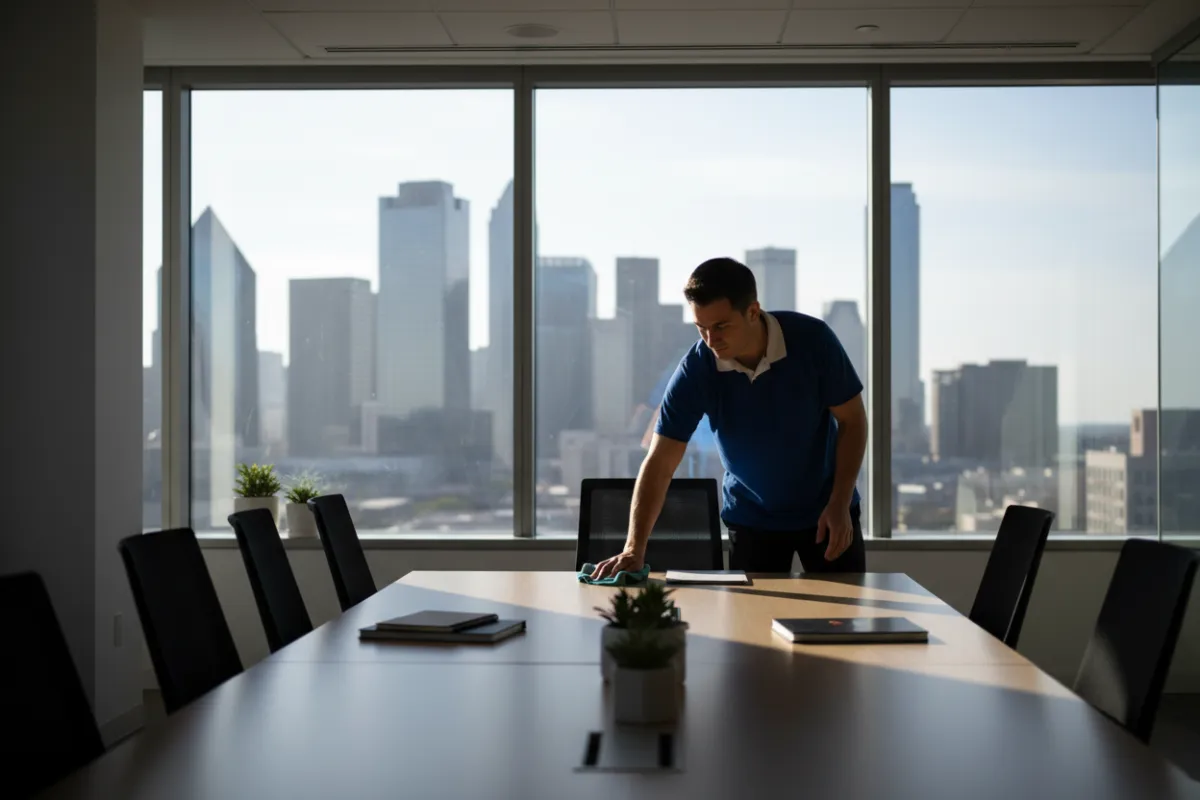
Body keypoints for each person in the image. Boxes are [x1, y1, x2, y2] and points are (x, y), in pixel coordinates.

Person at [590, 257, 868, 579]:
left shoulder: (813, 341)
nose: (711, 340)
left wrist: (840, 500)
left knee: (846, 624)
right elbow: (661, 460)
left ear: (753, 311)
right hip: (751, 520)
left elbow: (853, 421)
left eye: (721, 326)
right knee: (751, 625)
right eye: (701, 328)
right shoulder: (697, 369)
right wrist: (634, 548)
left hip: (828, 510)